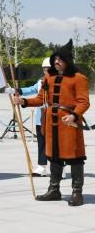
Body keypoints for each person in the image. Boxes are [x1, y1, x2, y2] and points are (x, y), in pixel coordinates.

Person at [15, 41, 90, 206]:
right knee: (54, 158)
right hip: (51, 123)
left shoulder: (79, 78)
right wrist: (23, 101)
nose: (56, 62)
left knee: (75, 158)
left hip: (69, 124)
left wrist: (74, 115)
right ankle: (54, 190)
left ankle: (77, 192)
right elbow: (40, 99)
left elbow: (84, 102)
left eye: (60, 59)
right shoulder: (48, 77)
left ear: (67, 60)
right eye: (55, 59)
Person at [9, 57, 51, 176]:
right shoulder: (40, 81)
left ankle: (60, 168)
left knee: (55, 145)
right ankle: (42, 167)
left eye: (48, 68)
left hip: (54, 118)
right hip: (41, 118)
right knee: (42, 143)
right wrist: (17, 90)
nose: (46, 70)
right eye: (44, 68)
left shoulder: (59, 81)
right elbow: (32, 89)